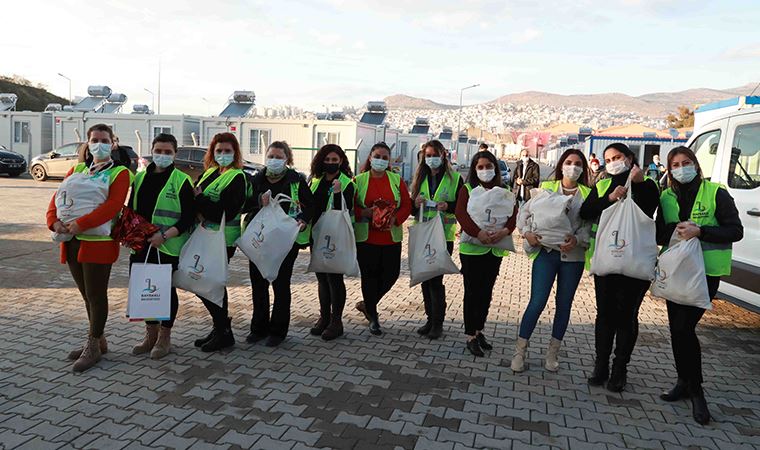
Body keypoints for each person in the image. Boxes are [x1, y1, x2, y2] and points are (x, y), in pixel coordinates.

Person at [655, 146, 743, 425]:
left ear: (696, 164)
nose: (681, 168)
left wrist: (701, 231)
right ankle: (683, 382)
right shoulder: (666, 196)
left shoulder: (715, 192)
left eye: (686, 162)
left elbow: (735, 230)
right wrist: (677, 229)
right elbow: (659, 232)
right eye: (676, 165)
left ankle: (697, 392)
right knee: (676, 330)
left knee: (684, 328)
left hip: (706, 272)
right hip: (676, 271)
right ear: (670, 170)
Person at [46, 123, 132, 372]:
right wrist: (54, 222)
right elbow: (57, 199)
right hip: (72, 241)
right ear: (87, 142)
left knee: (96, 295)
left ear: (113, 143)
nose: (99, 144)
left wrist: (81, 224)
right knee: (86, 295)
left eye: (105, 140)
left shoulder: (120, 173)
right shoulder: (77, 169)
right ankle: (99, 338)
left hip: (98, 243)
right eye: (94, 139)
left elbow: (113, 205)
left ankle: (93, 345)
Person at [580, 143, 660, 392]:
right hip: (608, 261)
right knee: (604, 314)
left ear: (629, 158)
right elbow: (586, 211)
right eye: (609, 159)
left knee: (626, 315)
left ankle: (620, 369)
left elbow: (651, 208)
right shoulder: (603, 184)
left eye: (618, 157)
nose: (613, 161)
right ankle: (600, 365)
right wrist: (610, 198)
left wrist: (641, 183)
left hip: (635, 261)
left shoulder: (646, 183)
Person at [513, 149, 591, 372]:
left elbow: (590, 226)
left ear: (583, 168)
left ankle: (552, 353)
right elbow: (524, 214)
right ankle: (520, 351)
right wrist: (526, 233)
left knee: (564, 305)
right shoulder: (546, 188)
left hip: (573, 257)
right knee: (537, 302)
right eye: (568, 162)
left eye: (577, 163)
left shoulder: (587, 193)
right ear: (561, 165)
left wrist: (578, 239)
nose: (573, 167)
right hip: (546, 254)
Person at [128, 133, 195, 359]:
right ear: (152, 150)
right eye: (159, 150)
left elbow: (188, 218)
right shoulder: (139, 179)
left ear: (175, 154)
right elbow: (131, 211)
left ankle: (165, 337)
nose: (162, 155)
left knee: (166, 291)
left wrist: (164, 236)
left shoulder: (181, 180)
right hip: (142, 244)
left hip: (167, 245)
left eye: (168, 152)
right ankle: (150, 335)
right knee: (143, 287)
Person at [245, 141, 314, 347]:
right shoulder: (256, 180)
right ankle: (258, 328)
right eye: (271, 156)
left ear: (287, 160)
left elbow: (310, 205)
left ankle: (278, 331)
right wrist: (259, 200)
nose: (274, 160)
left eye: (278, 156)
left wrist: (303, 219)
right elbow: (244, 205)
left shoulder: (296, 181)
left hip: (285, 241)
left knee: (281, 285)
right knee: (258, 284)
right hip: (259, 239)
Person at [456, 150, 517, 357]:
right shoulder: (468, 188)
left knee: (486, 292)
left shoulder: (505, 189)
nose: (485, 170)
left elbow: (513, 214)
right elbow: (461, 213)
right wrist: (478, 233)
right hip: (472, 249)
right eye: (480, 167)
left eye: (489, 166)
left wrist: (504, 231)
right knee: (472, 292)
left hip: (495, 248)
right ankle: (470, 335)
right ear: (474, 169)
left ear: (495, 168)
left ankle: (480, 329)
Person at [193, 132, 247, 352]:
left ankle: (224, 331)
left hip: (222, 240)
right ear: (212, 153)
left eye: (227, 151)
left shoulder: (237, 177)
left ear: (235, 154)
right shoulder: (211, 173)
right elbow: (194, 195)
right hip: (204, 237)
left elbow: (223, 211)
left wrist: (200, 200)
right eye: (219, 151)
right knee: (203, 283)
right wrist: (199, 201)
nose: (223, 154)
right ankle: (221, 327)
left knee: (210, 283)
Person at [354, 142, 412, 335]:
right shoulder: (359, 180)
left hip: (391, 237)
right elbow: (352, 207)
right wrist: (366, 212)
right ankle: (373, 316)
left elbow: (406, 204)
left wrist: (396, 219)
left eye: (384, 157)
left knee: (391, 275)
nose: (380, 160)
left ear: (389, 161)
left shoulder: (396, 180)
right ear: (370, 158)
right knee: (369, 277)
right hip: (367, 238)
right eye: (377, 156)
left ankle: (367, 304)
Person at [410, 140, 463, 339]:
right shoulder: (419, 178)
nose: (432, 158)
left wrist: (447, 206)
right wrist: (415, 203)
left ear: (443, 156)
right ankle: (429, 319)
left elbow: (461, 205)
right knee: (425, 277)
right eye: (428, 155)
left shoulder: (455, 178)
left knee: (435, 280)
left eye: (435, 154)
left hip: (442, 234)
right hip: (423, 232)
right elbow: (412, 208)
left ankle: (438, 323)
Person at [305, 144, 355, 341]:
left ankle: (336, 321)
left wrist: (337, 193)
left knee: (334, 279)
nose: (330, 163)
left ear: (341, 161)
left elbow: (345, 208)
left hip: (335, 236)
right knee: (321, 277)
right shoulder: (315, 181)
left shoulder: (346, 183)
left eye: (334, 160)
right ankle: (323, 317)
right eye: (327, 160)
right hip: (317, 234)